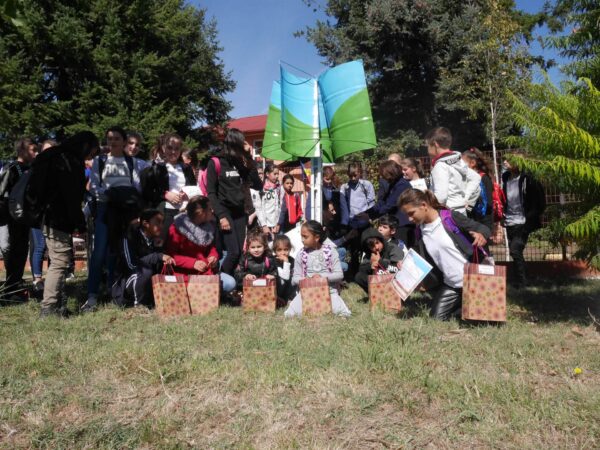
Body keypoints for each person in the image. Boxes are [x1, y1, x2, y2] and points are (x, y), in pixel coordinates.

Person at [28, 131, 99, 317]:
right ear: (85, 146)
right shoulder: (71, 161)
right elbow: (71, 197)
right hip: (58, 218)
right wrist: (80, 224)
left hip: (46, 215)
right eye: (92, 151)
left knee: (58, 259)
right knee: (59, 261)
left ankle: (58, 305)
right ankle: (49, 307)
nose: (91, 156)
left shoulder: (55, 156)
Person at [398, 189, 491, 320]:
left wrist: (481, 235)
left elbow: (483, 228)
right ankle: (463, 305)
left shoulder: (450, 218)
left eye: (411, 213)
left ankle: (468, 304)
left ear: (424, 205)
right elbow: (417, 252)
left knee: (480, 320)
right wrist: (405, 262)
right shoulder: (419, 230)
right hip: (452, 284)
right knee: (436, 318)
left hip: (474, 280)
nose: (409, 218)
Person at [83, 126, 142, 313]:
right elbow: (93, 186)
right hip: (105, 209)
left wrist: (124, 196)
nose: (113, 141)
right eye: (110, 138)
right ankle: (92, 295)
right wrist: (109, 194)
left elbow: (137, 186)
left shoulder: (131, 162)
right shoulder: (99, 161)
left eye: (117, 138)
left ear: (124, 141)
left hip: (126, 211)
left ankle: (114, 290)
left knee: (117, 252)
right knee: (99, 252)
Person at [206, 129, 262, 275]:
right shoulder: (216, 162)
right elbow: (211, 193)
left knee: (239, 254)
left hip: (240, 213)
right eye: (241, 144)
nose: (244, 146)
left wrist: (248, 156)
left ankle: (230, 282)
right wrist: (221, 216)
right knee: (233, 252)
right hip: (225, 213)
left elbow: (257, 185)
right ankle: (221, 281)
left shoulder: (241, 162)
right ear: (233, 144)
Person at [164, 195, 236, 294]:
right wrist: (193, 263)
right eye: (209, 209)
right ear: (201, 212)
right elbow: (170, 256)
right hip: (183, 274)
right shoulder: (177, 228)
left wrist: (213, 256)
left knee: (230, 283)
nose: (212, 211)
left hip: (205, 271)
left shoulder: (209, 226)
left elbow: (211, 248)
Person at [284, 220, 351, 318]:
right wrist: (309, 280)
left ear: (316, 237)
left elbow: (339, 275)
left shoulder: (330, 251)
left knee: (343, 313)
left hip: (329, 292)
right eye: (301, 236)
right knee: (290, 314)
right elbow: (294, 279)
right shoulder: (301, 254)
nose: (302, 240)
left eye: (305, 237)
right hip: (307, 292)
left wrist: (321, 277)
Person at [112, 209, 174, 308]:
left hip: (143, 283)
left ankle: (160, 300)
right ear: (146, 224)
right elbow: (131, 265)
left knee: (165, 266)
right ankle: (139, 305)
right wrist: (157, 256)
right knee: (145, 271)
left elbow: (157, 264)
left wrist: (160, 251)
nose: (161, 226)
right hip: (125, 283)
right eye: (157, 222)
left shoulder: (154, 240)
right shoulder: (129, 237)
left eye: (162, 223)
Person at [140, 133, 197, 241]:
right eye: (170, 148)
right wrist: (165, 195)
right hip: (165, 214)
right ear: (163, 148)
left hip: (185, 212)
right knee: (163, 243)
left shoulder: (187, 168)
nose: (173, 152)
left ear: (180, 150)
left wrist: (187, 195)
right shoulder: (156, 168)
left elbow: (194, 189)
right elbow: (147, 193)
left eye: (177, 148)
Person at [502, 151, 546, 287]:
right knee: (515, 252)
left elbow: (539, 201)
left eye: (508, 160)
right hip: (510, 220)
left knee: (515, 250)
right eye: (505, 160)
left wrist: (531, 218)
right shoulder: (505, 177)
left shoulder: (528, 179)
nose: (505, 162)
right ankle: (524, 278)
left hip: (523, 222)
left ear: (518, 162)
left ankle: (522, 282)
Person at [1, 138, 37, 303]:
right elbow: (2, 191)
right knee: (15, 250)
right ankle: (11, 288)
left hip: (26, 217)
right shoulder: (12, 168)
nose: (35, 153)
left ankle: (15, 284)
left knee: (22, 250)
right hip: (13, 217)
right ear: (22, 150)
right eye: (32, 150)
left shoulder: (31, 169)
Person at [425, 127, 481, 215]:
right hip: (461, 211)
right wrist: (465, 198)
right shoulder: (458, 160)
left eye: (428, 146)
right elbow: (476, 177)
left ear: (435, 144)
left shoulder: (440, 166)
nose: (427, 149)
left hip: (448, 214)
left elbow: (440, 198)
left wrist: (427, 206)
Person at [340, 162, 376, 277]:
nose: (353, 178)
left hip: (364, 221)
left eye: (355, 175)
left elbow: (371, 201)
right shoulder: (345, 187)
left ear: (359, 173)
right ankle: (354, 273)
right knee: (354, 249)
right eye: (350, 176)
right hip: (352, 222)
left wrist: (369, 216)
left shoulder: (366, 185)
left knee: (368, 246)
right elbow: (343, 205)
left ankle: (369, 270)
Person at [371, 160, 413, 246]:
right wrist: (368, 213)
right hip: (397, 224)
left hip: (403, 225)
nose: (383, 178)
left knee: (401, 250)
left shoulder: (402, 185)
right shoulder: (394, 184)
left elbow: (390, 204)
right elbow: (383, 201)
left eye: (384, 175)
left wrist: (371, 216)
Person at [355, 227, 404, 293]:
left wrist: (380, 261)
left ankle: (395, 295)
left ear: (381, 240)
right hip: (380, 282)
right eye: (372, 246)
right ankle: (376, 295)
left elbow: (398, 269)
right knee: (359, 276)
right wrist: (371, 266)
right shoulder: (369, 254)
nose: (376, 247)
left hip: (394, 282)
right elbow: (361, 269)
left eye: (377, 243)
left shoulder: (393, 248)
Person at [462, 148, 494, 232]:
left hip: (483, 221)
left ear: (472, 163)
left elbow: (489, 203)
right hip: (471, 220)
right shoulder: (466, 179)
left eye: (462, 163)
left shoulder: (483, 178)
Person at [257, 163, 282, 238]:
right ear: (267, 174)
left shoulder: (278, 187)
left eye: (278, 174)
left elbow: (279, 206)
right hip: (265, 226)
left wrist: (278, 223)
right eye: (275, 174)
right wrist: (264, 225)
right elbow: (259, 208)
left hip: (276, 225)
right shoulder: (262, 188)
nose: (277, 176)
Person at [272, 234, 295, 303]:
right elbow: (285, 276)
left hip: (288, 289)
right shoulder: (274, 261)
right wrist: (286, 262)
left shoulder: (292, 260)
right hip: (277, 289)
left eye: (286, 249)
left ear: (290, 249)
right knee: (282, 280)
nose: (283, 253)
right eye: (279, 250)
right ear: (275, 251)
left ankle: (291, 297)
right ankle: (279, 298)